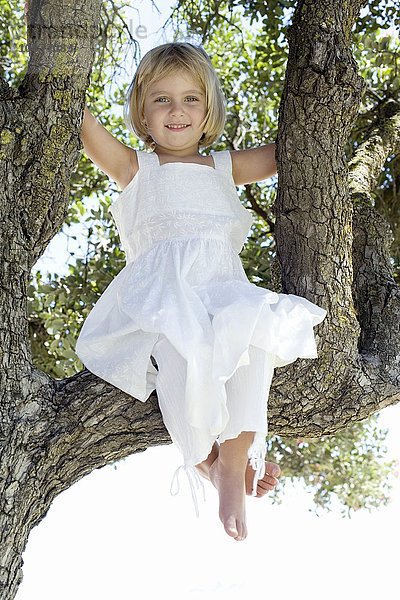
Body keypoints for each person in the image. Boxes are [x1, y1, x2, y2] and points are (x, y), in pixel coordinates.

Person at [75, 41, 327, 542]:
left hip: (222, 287)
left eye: (191, 99)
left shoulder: (224, 168)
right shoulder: (135, 168)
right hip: (163, 296)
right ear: (142, 113)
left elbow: (301, 146)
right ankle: (206, 463)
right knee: (178, 354)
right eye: (162, 99)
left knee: (252, 330)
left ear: (208, 110)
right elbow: (79, 121)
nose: (177, 110)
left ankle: (235, 459)